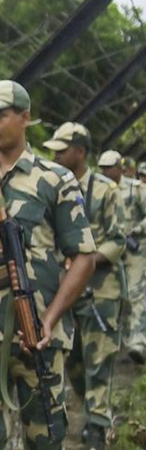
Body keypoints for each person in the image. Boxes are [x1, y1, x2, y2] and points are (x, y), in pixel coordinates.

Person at [0, 82, 97, 450]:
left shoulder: (55, 179)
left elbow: (84, 256)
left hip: (38, 337)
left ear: (25, 118)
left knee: (44, 438)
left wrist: (51, 318)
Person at [42, 124, 126, 449]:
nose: (55, 155)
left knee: (100, 359)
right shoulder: (51, 188)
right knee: (74, 361)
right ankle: (91, 410)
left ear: (80, 151)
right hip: (65, 290)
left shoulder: (105, 191)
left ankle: (97, 425)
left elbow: (118, 239)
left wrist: (86, 261)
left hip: (100, 289)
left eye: (61, 150)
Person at [99, 150, 146, 365]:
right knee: (115, 294)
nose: (106, 172)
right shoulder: (99, 190)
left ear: (120, 168)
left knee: (136, 293)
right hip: (109, 250)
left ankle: (137, 342)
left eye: (110, 168)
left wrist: (135, 230)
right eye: (103, 169)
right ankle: (116, 343)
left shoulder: (136, 190)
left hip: (135, 248)